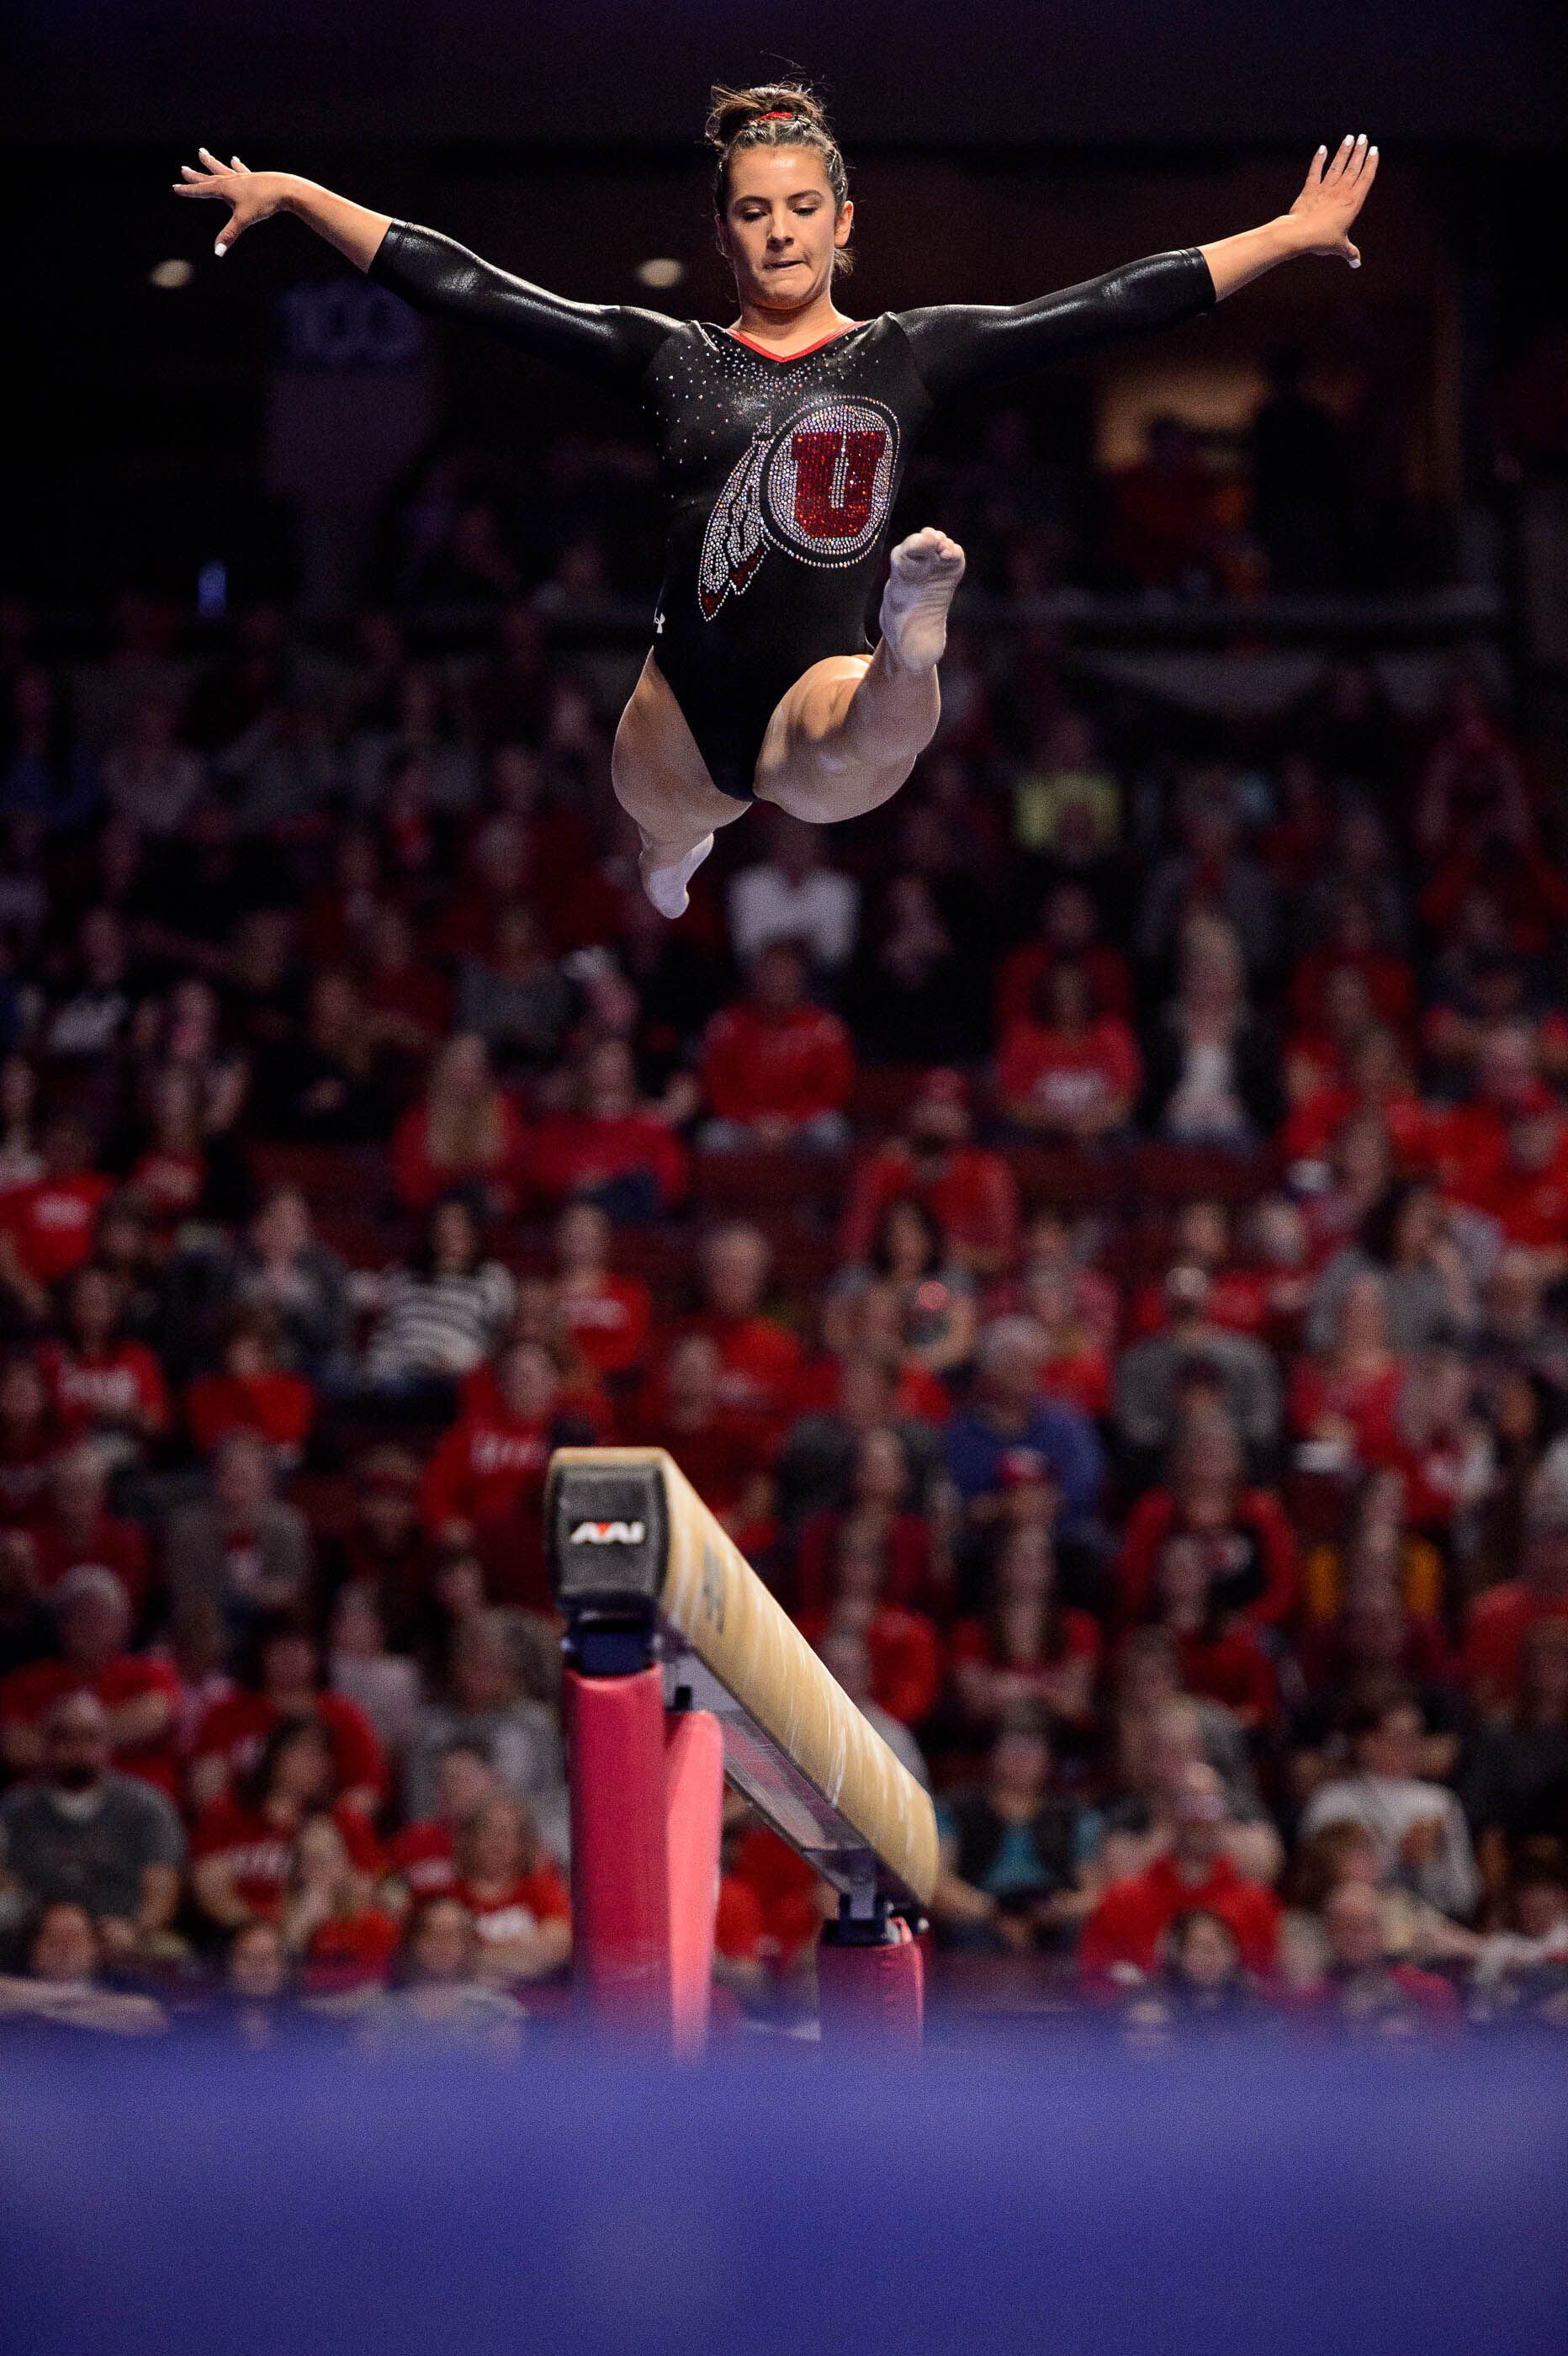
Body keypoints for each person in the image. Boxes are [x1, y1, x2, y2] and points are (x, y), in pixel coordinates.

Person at [177, 105, 1378, 914]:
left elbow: (1106, 307)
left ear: (844, 221)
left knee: (863, 745)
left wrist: (1288, 231)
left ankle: (913, 629)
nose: (781, 230)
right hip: (684, 695)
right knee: (662, 823)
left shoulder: (908, 356)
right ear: (722, 232)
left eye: (803, 207)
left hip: (820, 674)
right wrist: (296, 192)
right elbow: (472, 291)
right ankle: (676, 856)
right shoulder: (671, 357)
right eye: (754, 211)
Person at [0, 1691, 184, 1957]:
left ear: (108, 1743)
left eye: (91, 1737)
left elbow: (161, 1895)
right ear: (46, 1743)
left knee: (171, 1953)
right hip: (33, 1941)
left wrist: (134, 1929)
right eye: (66, 1737)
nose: (78, 1748)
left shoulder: (146, 1808)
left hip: (121, 1936)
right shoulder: (15, 1810)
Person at [1078, 1760, 1281, 1987]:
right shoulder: (1124, 1898)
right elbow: (1093, 1983)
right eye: (1188, 1803)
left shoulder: (1256, 1903)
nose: (1199, 1818)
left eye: (1209, 1805)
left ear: (1224, 1815)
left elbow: (1274, 1989)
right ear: (1165, 1812)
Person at [1300, 1686, 1481, 1921]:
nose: (1411, 1747)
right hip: (1351, 1925)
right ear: (1366, 1742)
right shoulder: (1333, 1801)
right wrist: (1398, 1857)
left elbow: (1464, 1896)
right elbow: (1316, 1885)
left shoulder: (1439, 1802)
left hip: (1423, 1925)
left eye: (1416, 1736)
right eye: (1399, 1738)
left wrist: (1441, 1856)